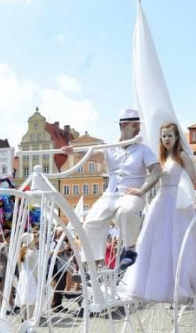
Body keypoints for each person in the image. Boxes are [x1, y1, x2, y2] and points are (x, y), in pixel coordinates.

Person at [62, 108, 162, 271]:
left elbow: (157, 171)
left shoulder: (143, 150)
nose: (138, 129)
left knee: (126, 211)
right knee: (90, 222)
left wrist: (142, 190)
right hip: (110, 195)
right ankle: (94, 265)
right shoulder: (111, 147)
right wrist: (74, 152)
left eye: (138, 125)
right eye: (135, 125)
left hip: (132, 194)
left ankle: (130, 249)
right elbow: (94, 156)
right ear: (123, 127)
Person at [124, 123, 196, 303]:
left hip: (177, 203)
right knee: (155, 243)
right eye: (163, 136)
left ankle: (179, 286)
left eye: (169, 135)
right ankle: (156, 285)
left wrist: (187, 198)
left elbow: (193, 180)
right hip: (160, 201)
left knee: (176, 242)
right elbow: (152, 178)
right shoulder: (159, 158)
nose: (166, 139)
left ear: (177, 137)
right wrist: (140, 190)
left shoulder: (181, 155)